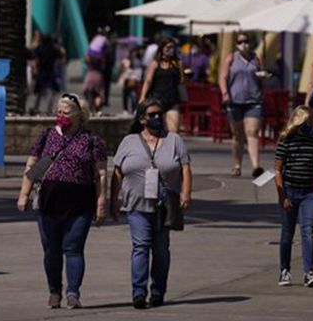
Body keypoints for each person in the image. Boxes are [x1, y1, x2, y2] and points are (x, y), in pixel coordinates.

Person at [17, 93, 108, 309]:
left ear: (78, 115)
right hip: (49, 202)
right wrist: (24, 194)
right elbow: (32, 166)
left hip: (80, 204)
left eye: (65, 113)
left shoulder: (91, 141)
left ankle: (73, 293)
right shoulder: (47, 135)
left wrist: (101, 203)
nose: (61, 117)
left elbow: (101, 174)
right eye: (58, 112)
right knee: (51, 249)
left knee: (74, 248)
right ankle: (54, 290)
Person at [111, 97, 193, 310]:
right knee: (140, 247)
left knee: (161, 250)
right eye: (152, 114)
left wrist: (185, 192)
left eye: (160, 113)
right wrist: (113, 200)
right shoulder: (129, 142)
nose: (157, 117)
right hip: (136, 204)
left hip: (164, 205)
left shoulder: (174, 139)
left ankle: (158, 291)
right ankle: (139, 292)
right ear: (141, 119)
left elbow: (185, 167)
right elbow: (117, 173)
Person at [274, 106, 313, 288]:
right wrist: (282, 195)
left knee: (308, 231)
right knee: (287, 233)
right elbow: (277, 170)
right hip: (289, 190)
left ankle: (308, 272)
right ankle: (284, 270)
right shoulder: (285, 141)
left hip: (309, 192)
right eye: (310, 121)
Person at [218, 32, 267, 178]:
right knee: (237, 135)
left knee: (252, 132)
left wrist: (263, 77)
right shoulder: (231, 58)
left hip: (254, 101)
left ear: (251, 42)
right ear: (236, 44)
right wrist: (225, 93)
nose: (243, 44)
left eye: (246, 41)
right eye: (240, 41)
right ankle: (237, 165)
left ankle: (256, 166)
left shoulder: (256, 58)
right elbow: (222, 77)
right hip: (234, 101)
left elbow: (262, 76)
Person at [138, 38, 186, 133]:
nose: (171, 50)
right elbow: (148, 81)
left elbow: (181, 80)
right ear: (162, 49)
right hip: (157, 100)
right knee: (157, 129)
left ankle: (171, 147)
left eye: (173, 47)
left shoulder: (177, 63)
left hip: (173, 99)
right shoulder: (155, 64)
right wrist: (142, 96)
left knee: (173, 131)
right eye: (168, 47)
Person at [30, 31, 65, 114]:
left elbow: (34, 56)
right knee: (53, 91)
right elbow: (62, 55)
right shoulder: (53, 49)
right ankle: (49, 108)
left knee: (39, 92)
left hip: (41, 72)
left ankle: (36, 107)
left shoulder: (40, 48)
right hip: (50, 72)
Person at [83, 27, 110, 115]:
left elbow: (86, 58)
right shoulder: (105, 42)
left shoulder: (94, 41)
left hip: (89, 76)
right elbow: (106, 59)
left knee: (89, 93)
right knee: (98, 94)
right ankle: (98, 110)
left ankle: (91, 111)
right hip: (98, 76)